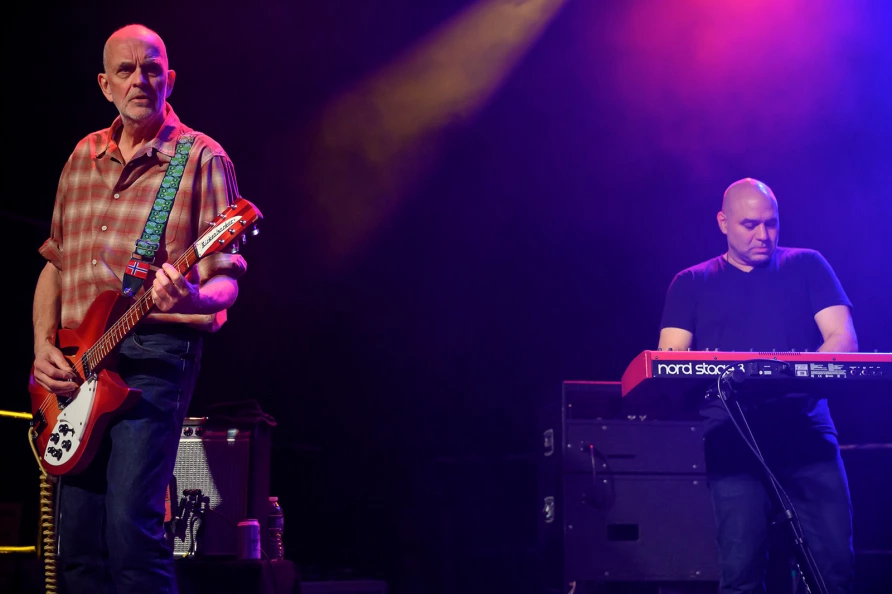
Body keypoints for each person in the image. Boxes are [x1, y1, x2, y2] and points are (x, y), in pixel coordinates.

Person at [31, 24, 248, 594]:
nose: (139, 80)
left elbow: (225, 284)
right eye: (125, 71)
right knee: (75, 544)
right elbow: (55, 264)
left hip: (155, 358)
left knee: (131, 531)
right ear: (105, 85)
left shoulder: (200, 158)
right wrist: (42, 348)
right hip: (77, 370)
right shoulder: (81, 156)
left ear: (169, 77)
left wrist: (193, 296)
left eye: (151, 68)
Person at [658, 178, 855, 594]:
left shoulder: (808, 265)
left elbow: (842, 339)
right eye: (750, 225)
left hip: (806, 434)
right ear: (723, 222)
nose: (763, 236)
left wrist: (789, 374)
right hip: (734, 439)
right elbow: (672, 355)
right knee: (741, 572)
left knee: (834, 568)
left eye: (771, 224)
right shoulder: (690, 283)